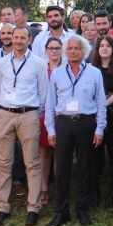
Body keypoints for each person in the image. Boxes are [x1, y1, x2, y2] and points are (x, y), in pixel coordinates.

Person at [44, 37, 106, 226]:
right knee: (62, 169)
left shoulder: (94, 73)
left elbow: (101, 103)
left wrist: (99, 128)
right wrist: (50, 129)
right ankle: (61, 212)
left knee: (84, 168)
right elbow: (50, 103)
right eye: (69, 48)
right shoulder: (57, 73)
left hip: (86, 123)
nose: (72, 51)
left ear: (84, 50)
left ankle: (82, 209)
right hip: (63, 124)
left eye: (76, 48)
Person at [0, 26, 47, 226]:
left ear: (29, 40)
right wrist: (3, 110)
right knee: (4, 162)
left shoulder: (38, 63)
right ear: (10, 39)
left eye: (23, 37)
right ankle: (2, 206)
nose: (18, 40)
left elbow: (43, 92)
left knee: (31, 163)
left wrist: (34, 113)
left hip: (29, 114)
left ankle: (33, 207)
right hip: (5, 114)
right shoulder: (1, 63)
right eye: (16, 37)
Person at [89, 35, 113, 207]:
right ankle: (95, 190)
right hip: (95, 117)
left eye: (108, 45)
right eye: (101, 46)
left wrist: (102, 104)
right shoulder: (90, 68)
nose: (104, 48)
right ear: (97, 50)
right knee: (95, 154)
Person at [38, 37, 64, 206]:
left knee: (60, 154)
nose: (54, 51)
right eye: (51, 48)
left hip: (61, 115)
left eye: (57, 48)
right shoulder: (40, 68)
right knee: (44, 153)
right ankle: (44, 187)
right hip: (43, 114)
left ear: (61, 50)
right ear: (46, 50)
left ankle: (60, 190)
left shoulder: (67, 68)